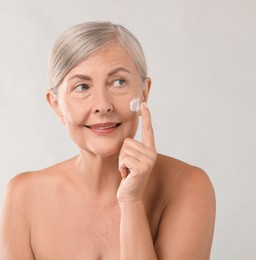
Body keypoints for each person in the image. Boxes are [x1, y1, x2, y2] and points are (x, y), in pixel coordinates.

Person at [0, 21, 216, 259]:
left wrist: (131, 203)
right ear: (56, 105)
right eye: (82, 87)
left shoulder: (188, 186)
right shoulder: (23, 196)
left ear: (144, 93)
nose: (103, 105)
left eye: (118, 82)